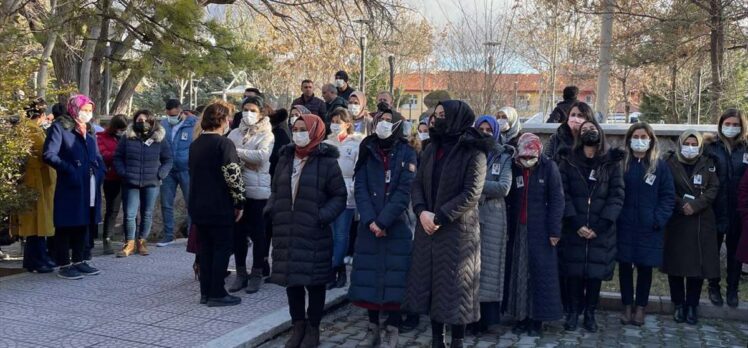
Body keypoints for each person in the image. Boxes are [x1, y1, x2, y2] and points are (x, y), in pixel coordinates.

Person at [403, 100, 490, 348]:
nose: (436, 119)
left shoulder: (474, 150)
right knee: (432, 288)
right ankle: (436, 340)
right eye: (435, 115)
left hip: (457, 232)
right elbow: (417, 183)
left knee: (455, 290)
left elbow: (471, 193)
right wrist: (421, 212)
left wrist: (439, 216)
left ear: (456, 117)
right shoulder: (431, 148)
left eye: (442, 115)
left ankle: (458, 342)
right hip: (427, 229)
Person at [268, 114, 346, 348]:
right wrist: (272, 210)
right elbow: (274, 188)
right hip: (286, 230)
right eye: (296, 128)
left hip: (314, 231)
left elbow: (339, 195)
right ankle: (297, 326)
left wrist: (320, 216)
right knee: (292, 282)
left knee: (315, 283)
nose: (299, 133)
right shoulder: (285, 157)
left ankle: (313, 328)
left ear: (315, 131)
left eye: (304, 129)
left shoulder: (327, 161)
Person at [348, 109, 417, 348]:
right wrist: (371, 221)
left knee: (395, 278)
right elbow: (360, 187)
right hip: (370, 226)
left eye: (389, 121)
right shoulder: (367, 148)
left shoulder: (407, 152)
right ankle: (372, 327)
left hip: (396, 226)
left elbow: (404, 191)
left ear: (397, 125)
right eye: (381, 121)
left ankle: (393, 328)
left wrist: (384, 221)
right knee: (368, 277)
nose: (384, 125)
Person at [558, 120, 624, 333]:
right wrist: (575, 222)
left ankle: (590, 313)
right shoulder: (568, 161)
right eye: (585, 130)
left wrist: (601, 224)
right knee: (574, 273)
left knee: (595, 274)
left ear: (600, 134)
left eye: (593, 129)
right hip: (574, 227)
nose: (589, 133)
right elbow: (562, 193)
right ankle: (573, 312)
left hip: (600, 230)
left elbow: (617, 195)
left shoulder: (611, 163)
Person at [504, 133, 564, 337]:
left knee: (538, 276)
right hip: (519, 229)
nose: (526, 161)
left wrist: (555, 230)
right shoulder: (515, 168)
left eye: (530, 157)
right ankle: (520, 316)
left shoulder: (549, 168)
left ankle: (536, 319)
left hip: (541, 230)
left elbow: (557, 200)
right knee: (519, 275)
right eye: (523, 157)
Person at [616, 123, 675, 325]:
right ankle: (626, 306)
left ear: (651, 140)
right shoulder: (622, 163)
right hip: (624, 226)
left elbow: (668, 197)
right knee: (624, 267)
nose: (640, 140)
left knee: (645, 269)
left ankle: (640, 307)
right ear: (629, 139)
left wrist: (658, 220)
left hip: (649, 227)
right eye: (636, 136)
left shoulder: (659, 166)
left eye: (644, 136)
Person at [188, 100, 246, 307]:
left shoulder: (195, 144)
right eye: (228, 118)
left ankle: (205, 292)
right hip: (219, 205)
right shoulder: (224, 144)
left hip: (198, 204)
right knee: (221, 248)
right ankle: (217, 292)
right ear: (222, 120)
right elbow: (233, 175)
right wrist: (239, 201)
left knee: (205, 249)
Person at [43, 94, 105, 279]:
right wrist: (69, 170)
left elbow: (97, 155)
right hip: (70, 183)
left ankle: (80, 259)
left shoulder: (90, 129)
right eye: (84, 110)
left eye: (89, 110)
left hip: (90, 183)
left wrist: (100, 170)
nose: (87, 114)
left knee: (83, 221)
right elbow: (49, 154)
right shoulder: (60, 127)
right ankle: (64, 263)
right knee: (66, 223)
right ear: (74, 109)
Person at [663, 130, 720, 325]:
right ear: (680, 144)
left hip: (701, 220)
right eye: (686, 143)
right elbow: (666, 188)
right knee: (676, 265)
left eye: (693, 143)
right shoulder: (669, 163)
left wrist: (696, 205)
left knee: (697, 266)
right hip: (677, 219)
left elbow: (714, 188)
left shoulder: (708, 163)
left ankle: (692, 305)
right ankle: (678, 304)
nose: (690, 147)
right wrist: (681, 205)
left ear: (700, 146)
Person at [470, 116, 514, 335]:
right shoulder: (467, 151)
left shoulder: (504, 154)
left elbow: (504, 187)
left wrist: (476, 185)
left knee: (491, 268)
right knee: (470, 267)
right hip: (470, 213)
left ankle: (491, 318)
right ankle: (470, 319)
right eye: (482, 128)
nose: (485, 132)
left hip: (495, 216)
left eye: (489, 129)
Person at [227, 96, 275, 294]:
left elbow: (262, 157)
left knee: (259, 235)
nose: (249, 113)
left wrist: (237, 153)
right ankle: (240, 273)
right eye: (246, 109)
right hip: (237, 191)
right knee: (238, 235)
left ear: (261, 112)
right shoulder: (235, 132)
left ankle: (256, 273)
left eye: (253, 110)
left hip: (258, 192)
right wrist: (246, 155)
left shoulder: (267, 134)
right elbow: (226, 154)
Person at [113, 110, 173, 257]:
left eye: (146, 120)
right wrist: (123, 173)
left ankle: (142, 242)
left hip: (152, 182)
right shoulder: (127, 138)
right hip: (130, 181)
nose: (142, 123)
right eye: (139, 120)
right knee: (129, 214)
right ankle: (129, 243)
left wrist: (160, 174)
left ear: (152, 122)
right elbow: (118, 157)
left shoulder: (159, 139)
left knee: (146, 214)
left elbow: (168, 159)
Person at [705, 108, 747, 308]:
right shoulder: (711, 147)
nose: (731, 128)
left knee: (735, 252)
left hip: (738, 210)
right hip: (715, 207)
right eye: (727, 124)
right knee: (712, 250)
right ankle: (713, 286)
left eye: (735, 124)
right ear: (721, 124)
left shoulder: (746, 148)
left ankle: (732, 289)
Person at [323, 107, 364, 290]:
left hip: (347, 195)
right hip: (328, 196)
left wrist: (351, 190)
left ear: (347, 124)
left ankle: (335, 268)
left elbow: (358, 171)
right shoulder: (326, 144)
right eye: (332, 121)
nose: (335, 125)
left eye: (338, 122)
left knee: (341, 234)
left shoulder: (356, 143)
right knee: (330, 235)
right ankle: (333, 267)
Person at [14, 98, 57, 273]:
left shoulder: (24, 130)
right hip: (36, 180)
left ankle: (36, 258)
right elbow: (45, 154)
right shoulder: (34, 132)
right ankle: (36, 259)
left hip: (32, 179)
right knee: (38, 222)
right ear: (40, 115)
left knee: (35, 222)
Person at [158, 99, 198, 247]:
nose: (171, 118)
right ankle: (168, 235)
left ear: (180, 110)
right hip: (168, 169)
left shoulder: (194, 123)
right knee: (166, 203)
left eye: (174, 115)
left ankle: (192, 235)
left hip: (187, 169)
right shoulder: (163, 124)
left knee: (191, 202)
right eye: (169, 115)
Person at [96, 114, 128, 255]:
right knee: (112, 210)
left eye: (123, 129)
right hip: (112, 177)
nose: (120, 131)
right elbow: (103, 155)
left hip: (128, 177)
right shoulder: (101, 137)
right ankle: (107, 239)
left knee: (130, 210)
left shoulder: (129, 137)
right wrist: (119, 153)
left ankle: (130, 238)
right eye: (119, 129)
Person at [265, 108, 292, 272]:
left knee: (278, 230)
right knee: (265, 229)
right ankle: (263, 263)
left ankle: (280, 265)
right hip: (263, 186)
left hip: (278, 186)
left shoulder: (281, 135)